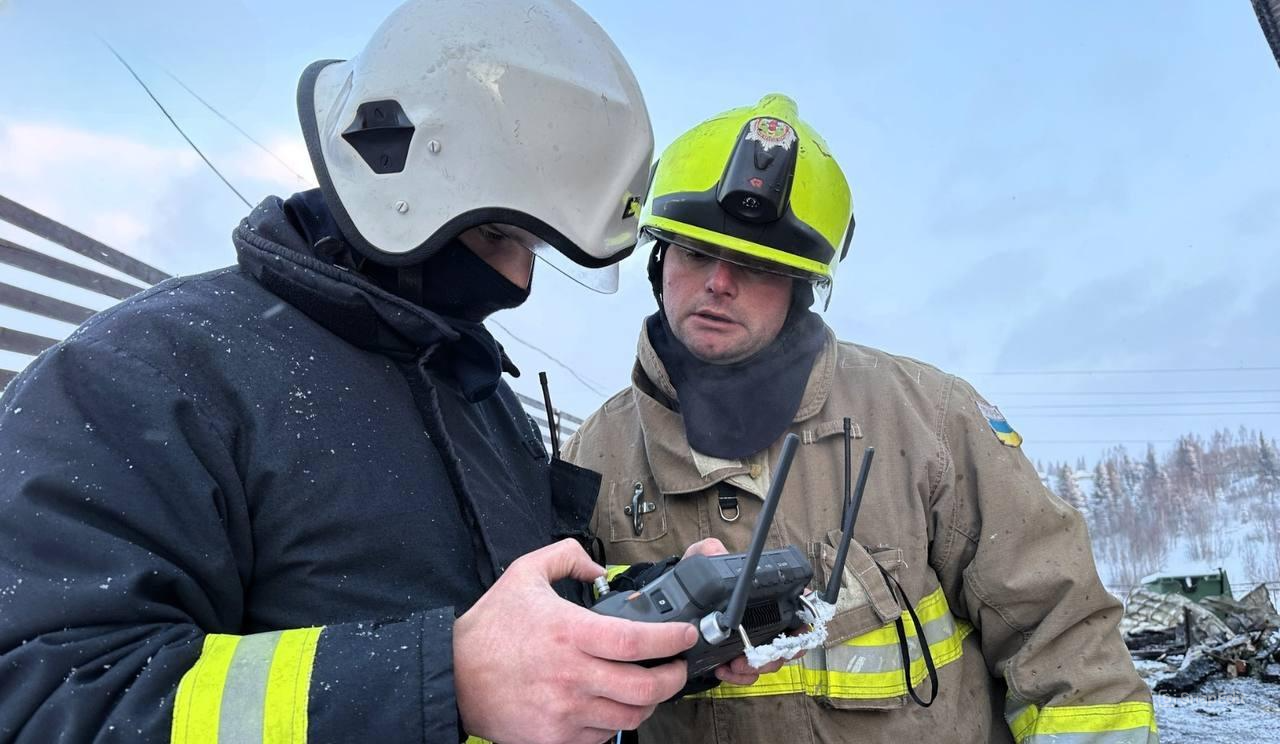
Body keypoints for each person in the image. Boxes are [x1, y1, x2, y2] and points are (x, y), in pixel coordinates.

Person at [0, 2, 773, 742]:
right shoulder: (142, 377)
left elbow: (513, 624)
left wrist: (649, 619)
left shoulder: (478, 399)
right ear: (399, 174)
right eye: (505, 236)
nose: (520, 284)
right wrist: (446, 680)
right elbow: (46, 700)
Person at [563, 93, 1158, 743]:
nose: (718, 284)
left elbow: (1066, 643)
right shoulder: (597, 457)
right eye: (697, 252)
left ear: (800, 287)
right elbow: (550, 676)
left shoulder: (931, 420)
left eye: (758, 265)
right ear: (659, 259)